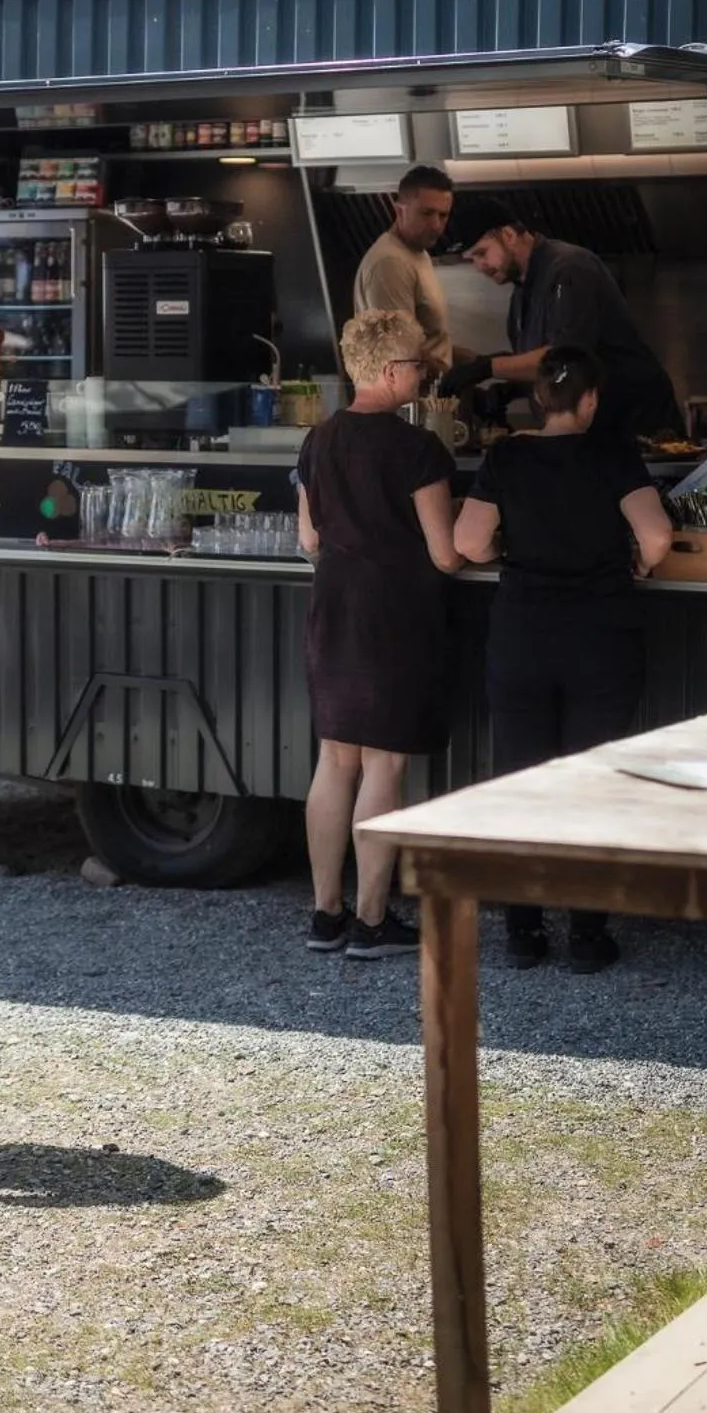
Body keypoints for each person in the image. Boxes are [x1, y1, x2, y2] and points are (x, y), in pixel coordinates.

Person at [453, 345, 673, 973]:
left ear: (539, 402)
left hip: (523, 632)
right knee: (590, 781)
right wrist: (639, 563)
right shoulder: (611, 454)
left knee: (524, 780)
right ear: (590, 400)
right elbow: (657, 535)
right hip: (600, 637)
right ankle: (585, 934)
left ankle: (523, 932)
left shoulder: (506, 456)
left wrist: (510, 558)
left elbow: (467, 542)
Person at [295, 310, 463, 959]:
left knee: (335, 759)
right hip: (395, 613)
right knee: (383, 763)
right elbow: (446, 554)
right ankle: (371, 920)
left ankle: (325, 913)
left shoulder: (318, 440)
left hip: (333, 607)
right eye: (419, 365)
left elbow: (308, 539)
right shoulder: (418, 449)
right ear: (392, 373)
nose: (424, 375)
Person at [437, 197, 683, 446]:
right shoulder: (522, 292)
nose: (480, 266)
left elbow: (566, 361)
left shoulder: (570, 268)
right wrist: (506, 390)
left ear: (509, 235)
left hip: (636, 428)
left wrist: (487, 367)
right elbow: (544, 368)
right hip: (598, 437)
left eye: (481, 253)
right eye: (472, 260)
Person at [352, 163, 465, 379]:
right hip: (406, 403)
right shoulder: (390, 262)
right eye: (426, 213)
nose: (436, 225)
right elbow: (400, 350)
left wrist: (473, 362)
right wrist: (451, 378)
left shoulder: (418, 252)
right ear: (399, 210)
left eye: (443, 215)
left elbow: (428, 338)